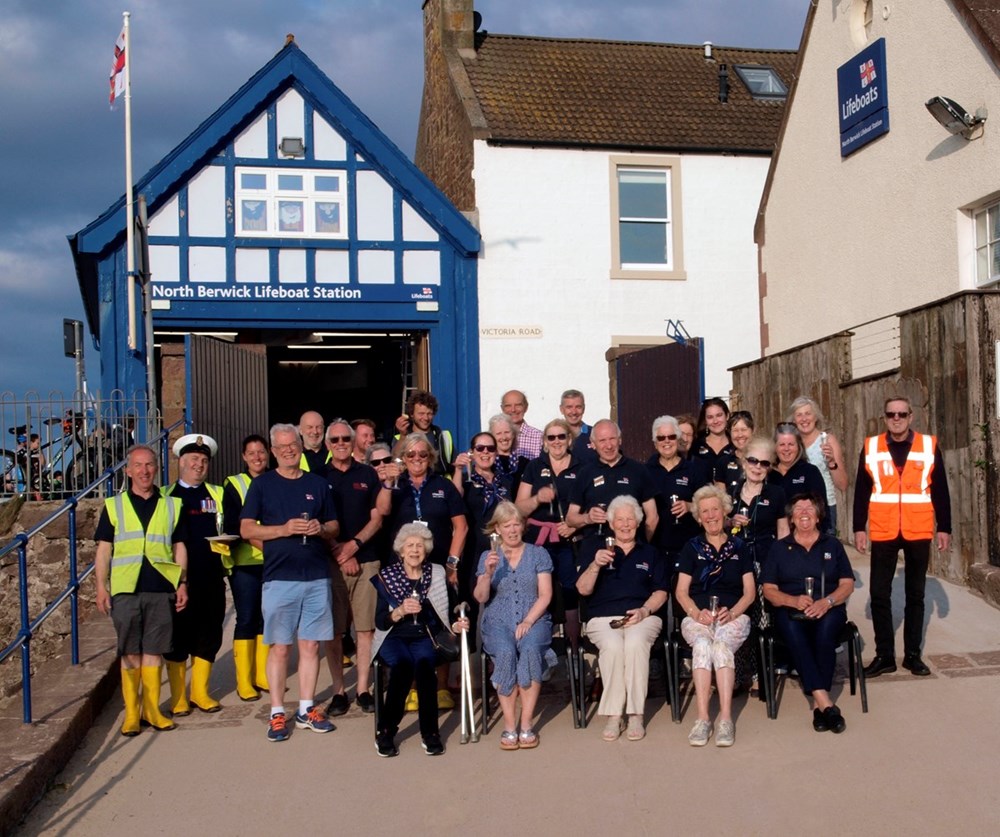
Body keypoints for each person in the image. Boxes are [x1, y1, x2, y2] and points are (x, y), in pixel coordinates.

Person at [240, 423, 340, 742]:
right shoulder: (262, 486)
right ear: (273, 451)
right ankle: (277, 711)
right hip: (279, 577)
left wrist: (321, 529)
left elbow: (335, 525)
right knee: (281, 648)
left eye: (292, 444)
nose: (288, 450)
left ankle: (307, 708)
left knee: (310, 645)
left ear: (300, 445)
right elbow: (246, 529)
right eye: (281, 446)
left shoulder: (318, 484)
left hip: (316, 575)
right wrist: (283, 530)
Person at [853, 396, 951, 678]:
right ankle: (885, 655)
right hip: (884, 529)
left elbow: (940, 489)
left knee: (916, 594)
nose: (896, 419)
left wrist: (944, 526)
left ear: (911, 416)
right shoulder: (871, 447)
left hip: (918, 528)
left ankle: (912, 655)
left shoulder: (928, 446)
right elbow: (862, 490)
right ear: (884, 417)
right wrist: (859, 527)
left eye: (902, 414)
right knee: (879, 593)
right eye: (891, 414)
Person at [94, 444, 187, 736]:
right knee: (130, 651)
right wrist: (100, 586)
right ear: (129, 470)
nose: (144, 471)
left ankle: (152, 710)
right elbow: (104, 550)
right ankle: (132, 714)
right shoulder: (113, 505)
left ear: (156, 468)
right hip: (125, 588)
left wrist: (182, 582)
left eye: (149, 465)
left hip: (161, 586)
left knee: (154, 650)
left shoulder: (172, 504)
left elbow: (179, 546)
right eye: (138, 465)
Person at [377, 432, 467, 708]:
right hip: (403, 567)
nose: (417, 459)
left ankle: (440, 686)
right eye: (411, 454)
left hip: (438, 566)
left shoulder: (443, 485)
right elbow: (381, 512)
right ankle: (413, 686)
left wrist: (452, 563)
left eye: (423, 454)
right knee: (407, 624)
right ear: (403, 458)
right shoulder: (395, 484)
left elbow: (460, 527)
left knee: (437, 621)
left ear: (431, 457)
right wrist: (388, 483)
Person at [575, 495, 668, 742]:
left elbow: (661, 591)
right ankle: (615, 715)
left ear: (638, 523)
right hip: (603, 618)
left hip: (643, 616)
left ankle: (636, 713)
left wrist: (645, 610)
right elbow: (583, 589)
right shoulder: (595, 549)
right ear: (611, 523)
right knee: (614, 646)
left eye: (630, 519)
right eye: (620, 520)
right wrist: (595, 565)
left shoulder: (650, 552)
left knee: (636, 643)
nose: (625, 524)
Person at [371, 524, 468, 757]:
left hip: (426, 636)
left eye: (419, 546)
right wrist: (400, 611)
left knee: (425, 669)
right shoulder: (387, 577)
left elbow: (451, 611)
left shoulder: (436, 573)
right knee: (403, 668)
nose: (415, 550)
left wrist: (456, 625)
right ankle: (385, 731)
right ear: (401, 551)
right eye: (410, 546)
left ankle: (430, 733)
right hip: (394, 637)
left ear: (426, 550)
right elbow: (381, 622)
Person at [763, 494, 855, 733]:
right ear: (791, 517)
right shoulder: (779, 548)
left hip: (829, 607)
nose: (804, 511)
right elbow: (769, 590)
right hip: (790, 609)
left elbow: (847, 583)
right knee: (795, 633)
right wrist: (792, 600)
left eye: (809, 507)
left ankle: (818, 705)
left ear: (818, 515)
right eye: (798, 508)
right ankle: (826, 703)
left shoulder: (832, 545)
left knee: (825, 633)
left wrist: (828, 601)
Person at [674, 485, 756, 747]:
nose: (710, 516)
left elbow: (750, 593)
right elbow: (681, 592)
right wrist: (696, 613)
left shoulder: (740, 547)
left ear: (725, 512)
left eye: (715, 510)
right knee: (702, 645)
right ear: (698, 517)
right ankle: (702, 719)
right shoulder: (691, 547)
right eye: (704, 512)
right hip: (697, 616)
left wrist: (733, 612)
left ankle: (725, 720)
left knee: (720, 647)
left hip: (733, 615)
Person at [475, 502, 555, 750]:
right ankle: (510, 726)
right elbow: (480, 597)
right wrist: (487, 573)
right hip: (498, 620)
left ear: (523, 526)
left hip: (534, 617)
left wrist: (529, 620)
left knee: (530, 651)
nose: (512, 530)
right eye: (506, 525)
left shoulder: (538, 553)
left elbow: (545, 595)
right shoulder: (488, 556)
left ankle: (527, 724)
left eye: (516, 524)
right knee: (507, 653)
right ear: (497, 528)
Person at [163, 433, 227, 716]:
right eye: (193, 460)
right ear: (181, 462)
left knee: (209, 633)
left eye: (203, 461)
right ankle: (178, 697)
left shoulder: (218, 494)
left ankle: (200, 692)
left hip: (212, 576)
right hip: (176, 580)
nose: (199, 465)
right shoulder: (166, 496)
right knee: (178, 636)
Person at [323, 420, 382, 716]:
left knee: (365, 629)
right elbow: (317, 522)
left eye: (346, 438)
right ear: (327, 445)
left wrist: (353, 546)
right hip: (331, 563)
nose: (341, 443)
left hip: (367, 558)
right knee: (333, 631)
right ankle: (337, 691)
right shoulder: (319, 477)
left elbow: (377, 518)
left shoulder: (368, 474)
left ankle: (363, 689)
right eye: (335, 439)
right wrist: (340, 552)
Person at [516, 418, 585, 652]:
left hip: (569, 539)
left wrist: (575, 526)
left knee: (569, 590)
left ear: (569, 439)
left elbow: (590, 504)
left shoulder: (581, 466)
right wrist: (537, 498)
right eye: (551, 437)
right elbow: (518, 507)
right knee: (536, 590)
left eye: (561, 436)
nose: (556, 442)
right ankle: (537, 642)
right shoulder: (534, 467)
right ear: (544, 442)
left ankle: (574, 648)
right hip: (537, 539)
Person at [222, 434, 270, 701]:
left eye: (261, 452)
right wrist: (263, 541)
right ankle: (244, 681)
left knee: (267, 618)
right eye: (251, 453)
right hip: (245, 563)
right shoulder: (234, 484)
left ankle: (262, 674)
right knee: (247, 618)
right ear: (243, 457)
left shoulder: (275, 481)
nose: (257, 457)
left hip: (272, 562)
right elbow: (232, 525)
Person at [566, 419, 659, 542]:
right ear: (593, 444)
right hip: (595, 549)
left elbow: (653, 516)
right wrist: (587, 518)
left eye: (612, 439)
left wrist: (641, 547)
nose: (608, 446)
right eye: (602, 440)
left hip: (631, 551)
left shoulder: (638, 470)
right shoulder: (585, 473)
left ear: (620, 440)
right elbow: (570, 518)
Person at [647, 415, 710, 574]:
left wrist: (690, 506)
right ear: (655, 443)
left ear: (678, 439)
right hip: (656, 548)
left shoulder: (693, 471)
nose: (666, 441)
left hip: (687, 548)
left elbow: (709, 504)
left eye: (671, 436)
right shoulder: (645, 471)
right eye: (661, 438)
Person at [789, 396, 848, 534]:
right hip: (795, 508)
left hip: (824, 507)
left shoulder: (827, 441)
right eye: (799, 415)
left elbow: (843, 484)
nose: (804, 419)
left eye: (808, 414)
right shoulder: (790, 444)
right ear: (793, 420)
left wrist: (832, 461)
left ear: (816, 417)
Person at [393, 390, 454, 474]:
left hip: (440, 483)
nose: (426, 418)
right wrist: (403, 435)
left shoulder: (444, 436)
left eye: (429, 414)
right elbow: (395, 461)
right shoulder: (401, 437)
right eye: (421, 413)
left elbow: (454, 466)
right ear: (411, 414)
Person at [770, 423, 826, 506]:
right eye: (782, 444)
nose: (786, 449)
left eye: (791, 444)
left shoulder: (810, 472)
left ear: (799, 446)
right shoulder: (768, 473)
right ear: (775, 447)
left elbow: (821, 509)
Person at [691, 398, 735, 485]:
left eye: (719, 415)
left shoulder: (735, 445)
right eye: (710, 417)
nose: (715, 421)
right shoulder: (695, 446)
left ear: (727, 415)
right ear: (705, 420)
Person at [488, 413, 528, 492]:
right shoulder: (488, 463)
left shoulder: (525, 464)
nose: (504, 437)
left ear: (513, 434)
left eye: (507, 432)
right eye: (498, 433)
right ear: (492, 437)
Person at [501, 390, 542, 461]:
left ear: (526, 407)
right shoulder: (494, 437)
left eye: (518, 405)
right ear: (502, 409)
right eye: (508, 406)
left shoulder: (540, 438)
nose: (513, 410)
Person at [723, 410, 754, 495]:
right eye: (735, 430)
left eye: (743, 429)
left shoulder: (762, 459)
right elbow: (721, 497)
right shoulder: (723, 461)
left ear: (752, 430)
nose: (740, 435)